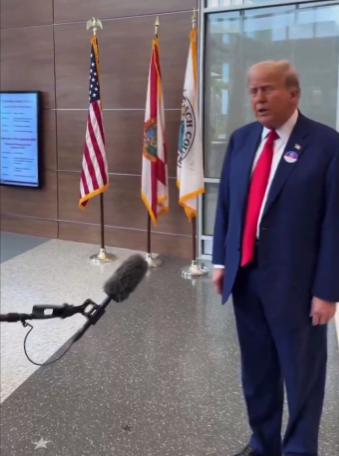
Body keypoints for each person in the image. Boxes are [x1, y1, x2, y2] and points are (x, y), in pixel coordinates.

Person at [212, 60, 339, 456]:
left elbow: (336, 222)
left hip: (298, 287)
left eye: (267, 89)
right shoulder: (241, 139)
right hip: (247, 277)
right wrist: (221, 261)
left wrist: (328, 291)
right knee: (258, 373)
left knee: (302, 377)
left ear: (293, 94)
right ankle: (262, 444)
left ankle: (299, 449)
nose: (259, 98)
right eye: (252, 90)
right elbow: (227, 207)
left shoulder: (327, 144)